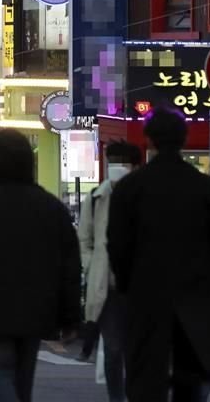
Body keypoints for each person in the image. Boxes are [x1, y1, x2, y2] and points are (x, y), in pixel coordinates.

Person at [107, 108, 210, 402]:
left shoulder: (130, 187)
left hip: (146, 297)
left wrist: (127, 285)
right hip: (196, 299)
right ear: (184, 140)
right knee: (190, 382)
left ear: (148, 141)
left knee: (146, 380)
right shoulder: (204, 187)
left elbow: (117, 244)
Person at [0, 129, 82, 402]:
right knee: (23, 381)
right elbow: (69, 266)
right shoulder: (51, 209)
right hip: (35, 310)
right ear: (29, 163)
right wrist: (70, 317)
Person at [78, 140, 141, 401]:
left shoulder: (146, 196)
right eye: (112, 163)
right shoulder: (96, 198)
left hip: (140, 287)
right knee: (113, 348)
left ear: (135, 167)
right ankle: (117, 397)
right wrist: (92, 265)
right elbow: (85, 239)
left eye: (123, 164)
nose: (117, 168)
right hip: (108, 287)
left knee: (136, 349)